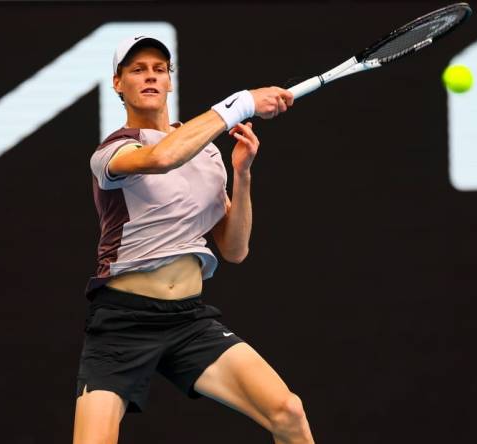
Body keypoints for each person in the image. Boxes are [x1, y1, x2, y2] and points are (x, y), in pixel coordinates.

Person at [73, 35, 315, 444]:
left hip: (187, 321)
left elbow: (234, 249)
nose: (150, 76)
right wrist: (241, 102)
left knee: (288, 412)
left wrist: (242, 175)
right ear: (118, 84)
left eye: (159, 69)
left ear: (170, 81)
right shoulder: (112, 151)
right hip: (122, 323)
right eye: (137, 70)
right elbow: (162, 158)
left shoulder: (206, 153)